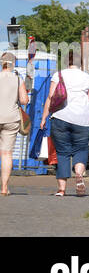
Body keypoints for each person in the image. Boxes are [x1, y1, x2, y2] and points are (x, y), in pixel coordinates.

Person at [40, 52, 89, 196]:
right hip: (83, 120)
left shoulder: (59, 75)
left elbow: (50, 97)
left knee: (62, 152)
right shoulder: (88, 78)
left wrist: (44, 117)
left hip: (60, 117)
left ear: (67, 62)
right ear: (82, 63)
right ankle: (79, 174)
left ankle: (61, 189)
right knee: (81, 149)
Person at [0, 52, 31, 196]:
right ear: (13, 64)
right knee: (6, 154)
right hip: (11, 119)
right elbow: (24, 100)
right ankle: (4, 188)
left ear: (2, 63)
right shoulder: (18, 79)